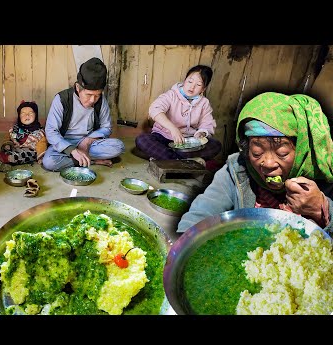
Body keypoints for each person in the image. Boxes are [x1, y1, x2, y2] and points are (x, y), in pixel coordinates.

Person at [177, 91, 333, 235]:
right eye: (257, 153)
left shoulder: (324, 176)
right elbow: (202, 213)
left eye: (282, 153)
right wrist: (181, 245)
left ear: (300, 151)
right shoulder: (238, 169)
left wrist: (321, 209)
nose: (268, 163)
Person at [42, 57, 125, 171]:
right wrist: (72, 150)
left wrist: (87, 141)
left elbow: (107, 127)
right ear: (77, 87)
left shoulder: (101, 101)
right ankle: (92, 161)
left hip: (90, 143)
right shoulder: (62, 99)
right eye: (88, 95)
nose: (92, 100)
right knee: (49, 162)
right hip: (65, 143)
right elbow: (51, 131)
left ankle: (80, 160)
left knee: (118, 146)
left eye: (97, 95)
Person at [135, 65, 221, 166]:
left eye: (198, 84)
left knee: (216, 145)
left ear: (203, 88)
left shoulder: (204, 103)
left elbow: (207, 123)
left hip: (187, 142)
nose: (192, 87)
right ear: (185, 80)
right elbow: (155, 110)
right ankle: (186, 161)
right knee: (142, 140)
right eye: (190, 81)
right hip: (163, 138)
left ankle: (169, 159)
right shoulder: (171, 95)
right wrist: (173, 129)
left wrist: (201, 133)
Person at [0, 100, 47, 171]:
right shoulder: (15, 129)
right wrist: (7, 144)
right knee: (7, 150)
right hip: (16, 148)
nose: (27, 115)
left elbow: (42, 145)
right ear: (19, 116)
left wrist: (41, 158)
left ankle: (7, 159)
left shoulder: (39, 133)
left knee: (26, 155)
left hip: (30, 150)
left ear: (36, 115)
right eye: (23, 113)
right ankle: (4, 161)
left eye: (30, 113)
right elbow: (8, 137)